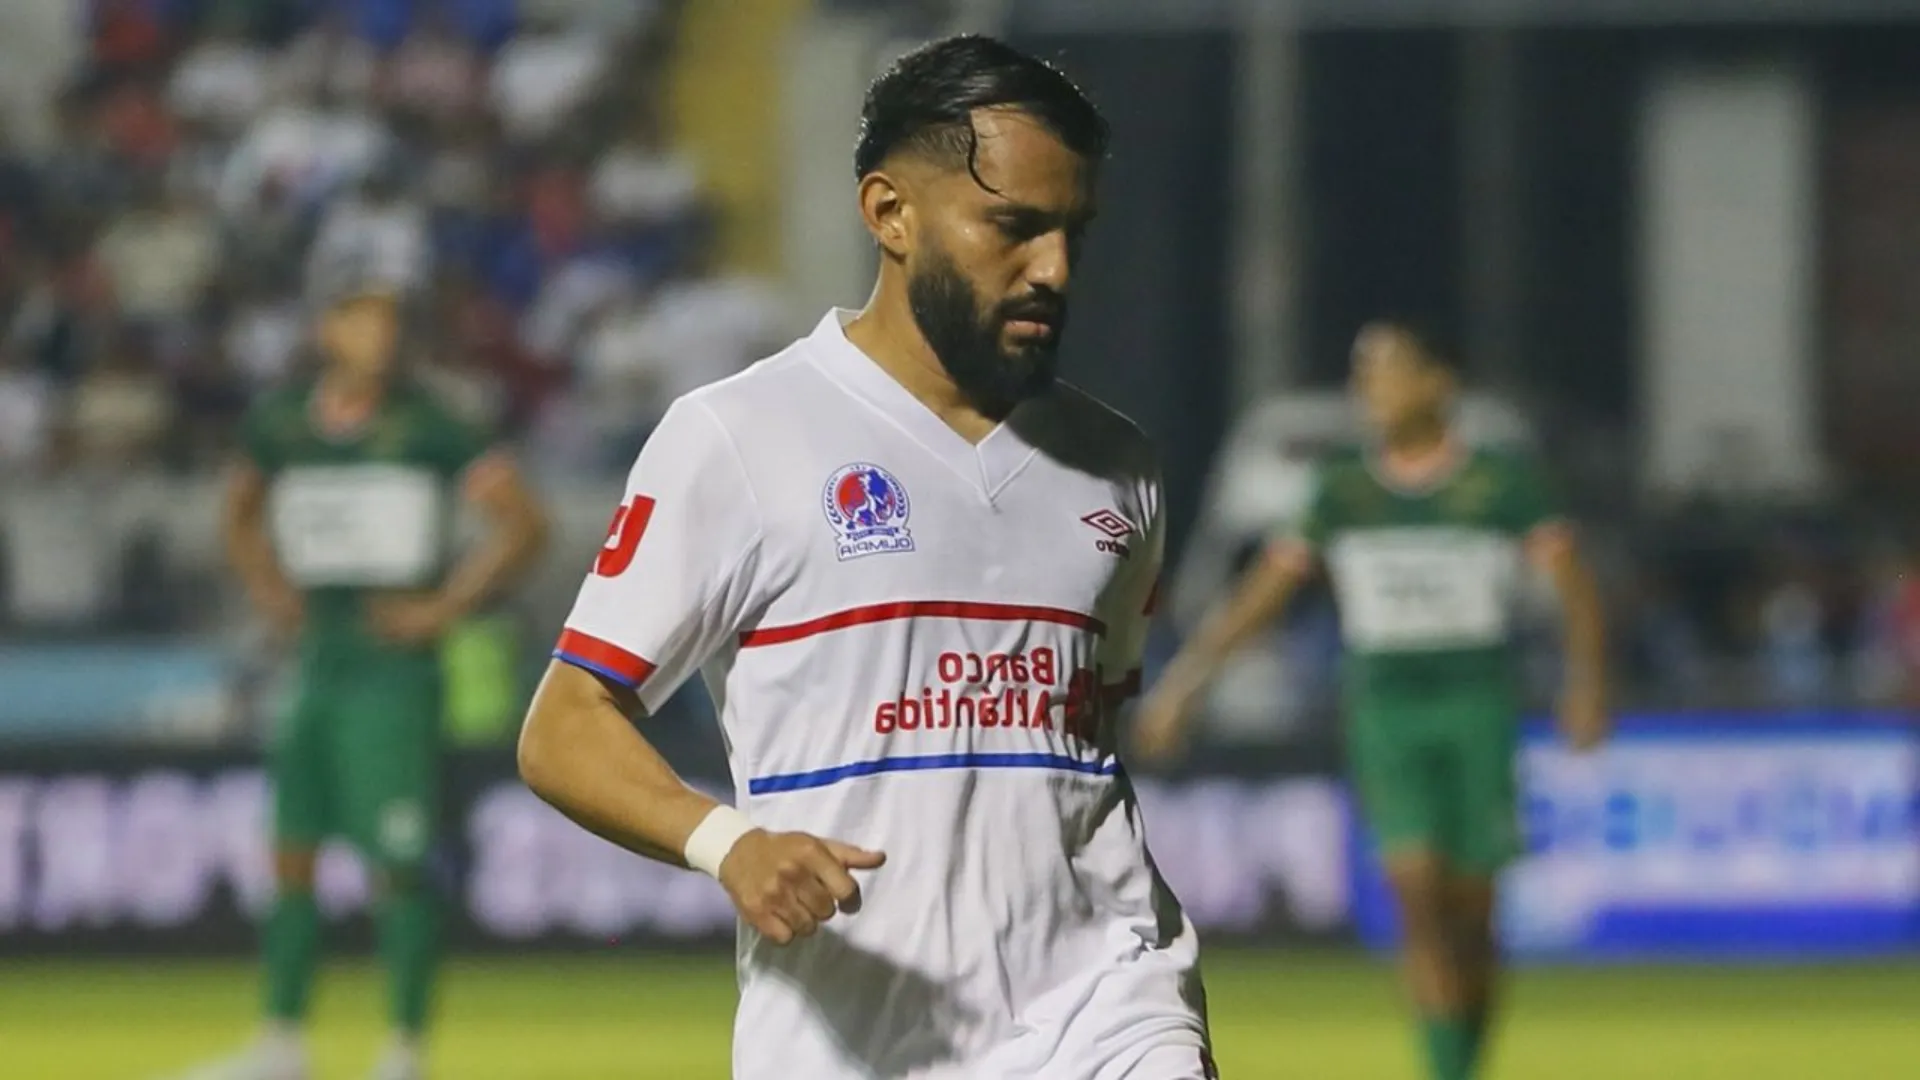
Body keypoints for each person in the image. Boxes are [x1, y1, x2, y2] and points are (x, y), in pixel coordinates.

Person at [517, 34, 1216, 1080]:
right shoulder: (741, 438)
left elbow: (1091, 737)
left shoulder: (1120, 467)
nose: (1055, 270)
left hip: (1109, 1003)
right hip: (854, 1037)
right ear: (890, 213)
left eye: (1075, 233)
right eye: (1014, 229)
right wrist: (729, 845)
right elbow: (565, 726)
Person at [1133, 320, 1609, 1080]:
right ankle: (1444, 1072)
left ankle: (1462, 1056)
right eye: (1363, 375)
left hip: (1475, 702)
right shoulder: (1344, 489)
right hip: (1386, 707)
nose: (1369, 392)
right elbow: (1264, 595)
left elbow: (1574, 585)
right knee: (1417, 892)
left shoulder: (1499, 482)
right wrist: (1186, 684)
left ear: (1436, 384)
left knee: (1471, 913)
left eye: (1387, 373)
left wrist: (1588, 685)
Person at [192, 257, 548, 1080]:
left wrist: (443, 609)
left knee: (398, 856)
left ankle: (403, 1050)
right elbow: (239, 509)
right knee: (291, 849)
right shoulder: (283, 423)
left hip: (395, 667)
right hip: (317, 655)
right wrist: (265, 584)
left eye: (390, 322)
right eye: (362, 319)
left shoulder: (432, 426)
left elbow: (524, 524)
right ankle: (282, 1042)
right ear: (328, 331)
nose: (380, 337)